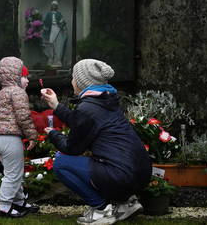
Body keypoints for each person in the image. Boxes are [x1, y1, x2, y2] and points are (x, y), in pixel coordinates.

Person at [40, 59, 152, 224]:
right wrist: (56, 105)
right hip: (142, 173)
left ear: (80, 82)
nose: (72, 81)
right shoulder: (107, 100)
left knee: (62, 162)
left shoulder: (87, 109)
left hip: (120, 175)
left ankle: (101, 210)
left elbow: (72, 148)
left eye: (73, 78)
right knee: (107, 163)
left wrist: (54, 134)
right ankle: (125, 204)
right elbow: (82, 121)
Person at [0, 56, 40, 218]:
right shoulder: (17, 92)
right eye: (24, 77)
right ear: (15, 76)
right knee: (13, 174)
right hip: (10, 138)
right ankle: (4, 207)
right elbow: (23, 116)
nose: (27, 81)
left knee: (13, 171)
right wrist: (32, 136)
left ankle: (19, 201)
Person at [42, 0, 68, 68]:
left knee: (58, 45)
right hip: (50, 30)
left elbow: (62, 22)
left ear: (56, 7)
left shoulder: (59, 14)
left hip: (58, 29)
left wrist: (63, 25)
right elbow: (46, 23)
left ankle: (57, 60)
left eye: (55, 5)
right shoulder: (48, 14)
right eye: (52, 5)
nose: (54, 6)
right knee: (50, 44)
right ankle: (50, 59)